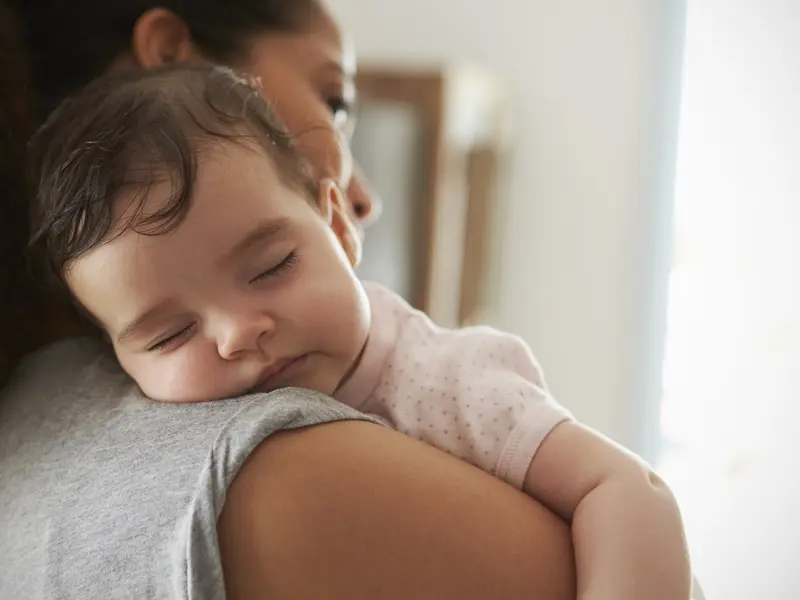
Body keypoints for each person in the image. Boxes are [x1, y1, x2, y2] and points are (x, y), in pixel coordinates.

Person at [31, 63, 692, 600]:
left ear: (340, 227)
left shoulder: (448, 379)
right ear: (117, 360)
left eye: (272, 266)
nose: (238, 334)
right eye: (171, 335)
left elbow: (629, 491)